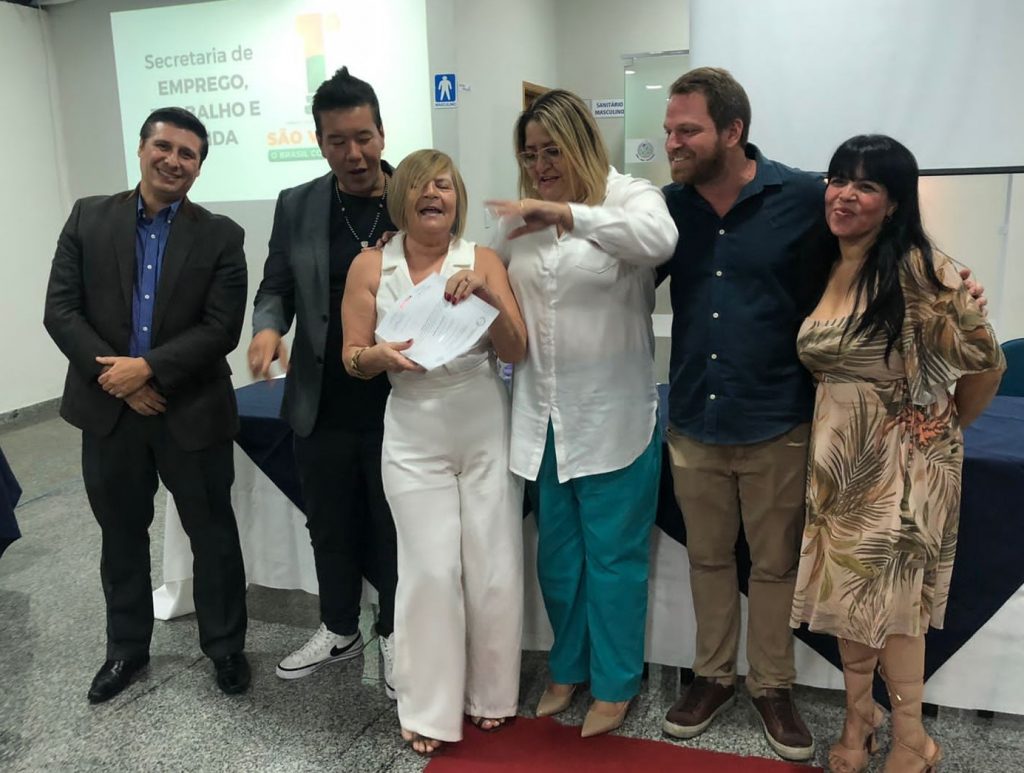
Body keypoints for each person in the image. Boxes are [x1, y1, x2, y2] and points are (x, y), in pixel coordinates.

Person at [658, 67, 988, 762]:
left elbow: (973, 349)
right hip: (699, 418)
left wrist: (946, 420)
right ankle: (715, 679)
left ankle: (775, 687)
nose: (673, 142)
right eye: (669, 130)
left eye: (687, 129)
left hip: (785, 422)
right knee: (710, 560)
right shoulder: (666, 209)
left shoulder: (802, 198)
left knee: (778, 568)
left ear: (732, 130)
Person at [790, 135, 1004, 773]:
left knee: (896, 606)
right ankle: (860, 717)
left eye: (866, 185)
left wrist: (941, 426)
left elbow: (986, 362)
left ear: (894, 202)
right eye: (837, 179)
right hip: (839, 464)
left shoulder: (919, 268)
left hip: (903, 468)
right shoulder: (828, 262)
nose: (844, 195)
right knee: (850, 598)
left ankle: (912, 737)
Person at [43, 107, 250, 702]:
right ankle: (126, 650)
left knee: (212, 534)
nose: (173, 161)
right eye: (164, 147)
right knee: (120, 534)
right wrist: (122, 380)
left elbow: (221, 328)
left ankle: (226, 648)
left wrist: (149, 368)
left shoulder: (222, 235)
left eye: (188, 154)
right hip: (109, 411)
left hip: (192, 410)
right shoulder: (88, 217)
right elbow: (61, 310)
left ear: (199, 167)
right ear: (141, 149)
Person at [488, 89, 678, 738]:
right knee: (559, 561)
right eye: (529, 154)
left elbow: (660, 240)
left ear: (582, 144)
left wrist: (570, 214)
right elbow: (486, 274)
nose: (540, 165)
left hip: (612, 420)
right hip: (540, 419)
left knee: (615, 562)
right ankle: (567, 667)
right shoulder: (517, 224)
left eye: (552, 151)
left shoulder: (630, 196)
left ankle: (616, 683)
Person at [342, 149, 527, 755]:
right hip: (412, 426)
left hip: (482, 420)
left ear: (457, 197)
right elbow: (352, 357)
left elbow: (516, 351)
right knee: (429, 569)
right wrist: (376, 357)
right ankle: (427, 705)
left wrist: (488, 299)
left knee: (493, 562)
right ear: (402, 197)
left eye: (443, 185)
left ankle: (491, 694)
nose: (433, 195)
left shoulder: (483, 260)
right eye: (421, 185)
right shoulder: (371, 265)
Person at [248, 67, 399, 691]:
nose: (353, 153)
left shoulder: (415, 195)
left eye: (363, 137)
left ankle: (395, 634)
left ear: (383, 133)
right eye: (338, 141)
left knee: (393, 525)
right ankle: (338, 627)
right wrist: (267, 329)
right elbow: (275, 287)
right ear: (319, 141)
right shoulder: (299, 203)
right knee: (329, 521)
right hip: (319, 397)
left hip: (398, 397)